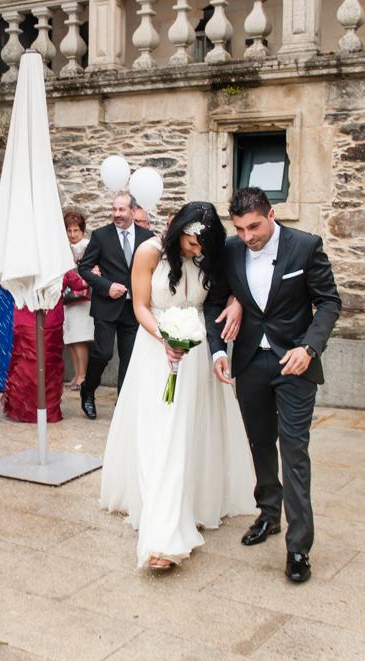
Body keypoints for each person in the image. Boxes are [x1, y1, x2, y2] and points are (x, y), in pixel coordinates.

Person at [100, 202, 256, 570]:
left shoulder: (214, 255)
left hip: (197, 353)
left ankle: (195, 502)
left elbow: (230, 290)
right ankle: (163, 535)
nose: (196, 250)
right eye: (190, 243)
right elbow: (140, 306)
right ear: (177, 231)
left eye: (202, 246)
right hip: (157, 350)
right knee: (163, 435)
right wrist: (165, 338)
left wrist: (235, 302)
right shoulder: (149, 252)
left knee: (192, 430)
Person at [205, 187, 341, 584]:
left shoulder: (305, 247)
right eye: (240, 228)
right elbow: (213, 303)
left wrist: (310, 349)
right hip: (249, 363)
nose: (248, 236)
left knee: (294, 450)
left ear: (272, 214)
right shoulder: (230, 251)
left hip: (294, 363)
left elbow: (329, 302)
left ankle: (298, 547)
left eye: (254, 226)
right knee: (260, 442)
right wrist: (217, 351)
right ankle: (268, 513)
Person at [77, 192, 152, 419]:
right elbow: (85, 268)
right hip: (106, 306)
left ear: (132, 210)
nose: (117, 214)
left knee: (129, 359)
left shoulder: (148, 237)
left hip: (134, 310)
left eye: (122, 210)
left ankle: (123, 403)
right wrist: (106, 285)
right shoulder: (100, 236)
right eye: (114, 209)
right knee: (103, 353)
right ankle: (88, 390)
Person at [2, 299, 65, 422]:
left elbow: (78, 283)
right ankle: (23, 409)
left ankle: (48, 410)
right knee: (27, 363)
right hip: (26, 317)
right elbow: (6, 283)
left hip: (52, 319)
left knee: (50, 366)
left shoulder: (62, 277)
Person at [62, 211, 93, 391]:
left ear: (82, 230)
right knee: (71, 338)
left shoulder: (88, 246)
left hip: (83, 297)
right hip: (67, 297)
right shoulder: (63, 247)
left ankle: (83, 375)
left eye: (76, 230)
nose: (73, 235)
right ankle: (76, 374)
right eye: (69, 231)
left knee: (81, 337)